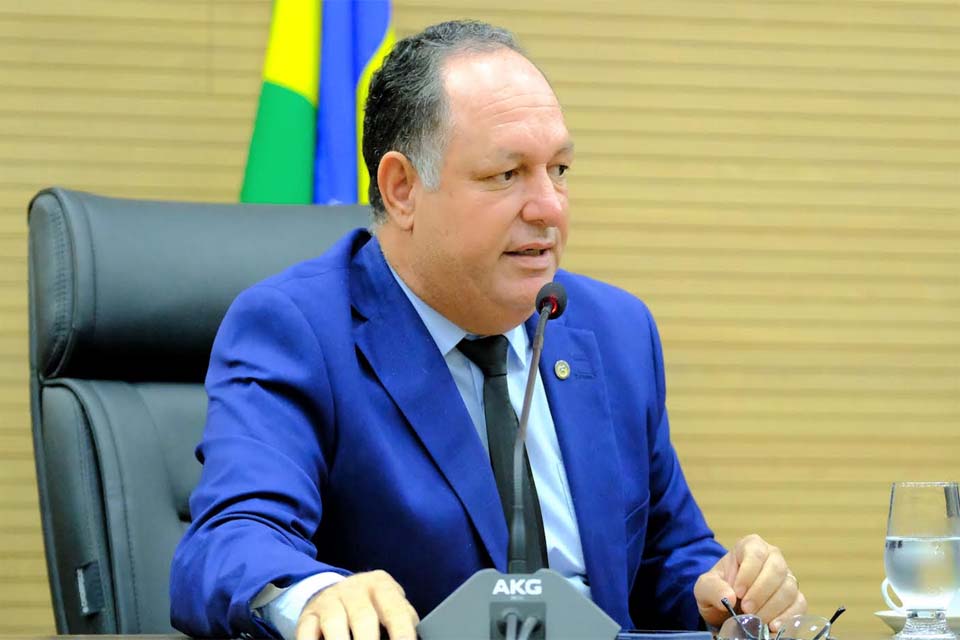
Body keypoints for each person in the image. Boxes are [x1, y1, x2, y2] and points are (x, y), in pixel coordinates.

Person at [170, 20, 806, 640]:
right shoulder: (299, 330)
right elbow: (230, 542)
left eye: (559, 170)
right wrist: (316, 593)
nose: (549, 206)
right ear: (402, 189)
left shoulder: (615, 331)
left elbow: (668, 557)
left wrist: (726, 595)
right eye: (507, 175)